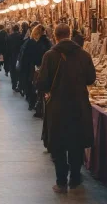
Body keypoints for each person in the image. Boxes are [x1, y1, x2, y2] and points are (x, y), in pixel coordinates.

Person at [36, 22, 96, 192]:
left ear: (55, 36)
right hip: (79, 104)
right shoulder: (84, 55)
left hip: (58, 106)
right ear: (70, 35)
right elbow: (91, 79)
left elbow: (42, 83)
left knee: (59, 144)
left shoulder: (49, 55)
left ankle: (61, 182)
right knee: (76, 142)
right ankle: (75, 179)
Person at [20, 24, 51, 112]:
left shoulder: (31, 42)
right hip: (43, 68)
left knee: (32, 85)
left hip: (32, 68)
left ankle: (32, 103)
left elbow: (25, 56)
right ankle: (39, 104)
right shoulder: (47, 42)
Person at [5, 23, 24, 92]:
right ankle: (19, 84)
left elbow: (7, 48)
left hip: (11, 56)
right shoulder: (21, 36)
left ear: (12, 30)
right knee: (19, 70)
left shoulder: (9, 37)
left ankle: (14, 84)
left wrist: (6, 57)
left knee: (12, 70)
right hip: (19, 56)